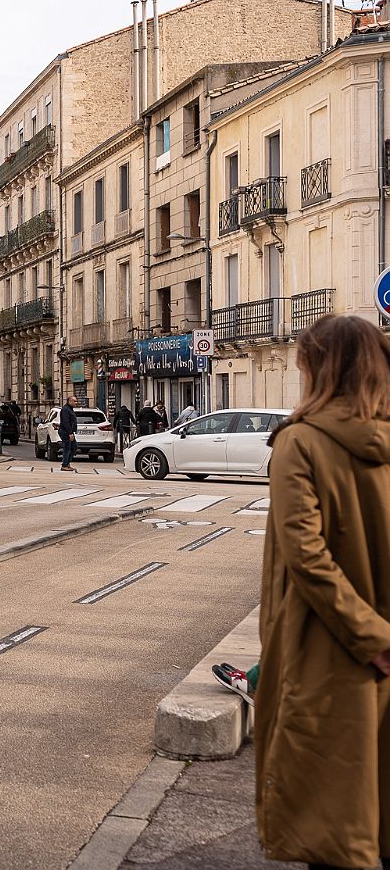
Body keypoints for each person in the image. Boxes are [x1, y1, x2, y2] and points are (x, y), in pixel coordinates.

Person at [253, 314, 390, 870]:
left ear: (317, 369)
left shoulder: (301, 442)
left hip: (328, 648)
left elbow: (307, 557)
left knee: (330, 825)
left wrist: (372, 637)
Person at [58, 395, 79, 471]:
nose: (76, 403)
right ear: (69, 401)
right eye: (74, 401)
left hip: (69, 432)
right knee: (67, 448)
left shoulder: (70, 409)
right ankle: (64, 465)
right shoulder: (65, 410)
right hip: (65, 432)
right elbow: (65, 422)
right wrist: (70, 433)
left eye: (76, 401)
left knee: (74, 447)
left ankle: (67, 463)